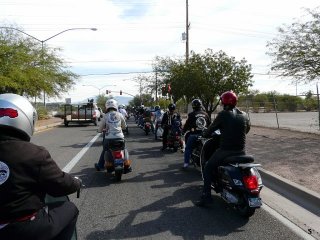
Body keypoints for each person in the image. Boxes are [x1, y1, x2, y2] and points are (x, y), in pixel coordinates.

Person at [0, 93, 82, 240]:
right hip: (24, 229)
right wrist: (76, 182)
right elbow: (60, 185)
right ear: (25, 118)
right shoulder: (34, 153)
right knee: (70, 208)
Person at [195, 91, 251, 207]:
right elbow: (247, 129)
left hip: (226, 151)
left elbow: (211, 129)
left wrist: (205, 134)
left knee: (208, 167)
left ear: (224, 102)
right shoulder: (244, 115)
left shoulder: (223, 114)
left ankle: (207, 197)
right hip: (242, 151)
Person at [95, 99, 128, 171]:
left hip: (109, 138)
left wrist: (99, 130)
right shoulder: (120, 115)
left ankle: (100, 165)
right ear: (116, 106)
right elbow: (125, 126)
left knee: (105, 150)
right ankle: (127, 164)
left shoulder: (105, 116)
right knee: (124, 149)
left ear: (107, 106)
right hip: (120, 137)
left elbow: (100, 128)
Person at [182, 99, 210, 169]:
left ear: (193, 106)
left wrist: (183, 131)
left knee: (188, 148)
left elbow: (187, 125)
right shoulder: (206, 114)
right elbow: (210, 125)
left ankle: (186, 163)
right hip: (205, 135)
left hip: (195, 135)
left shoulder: (191, 114)